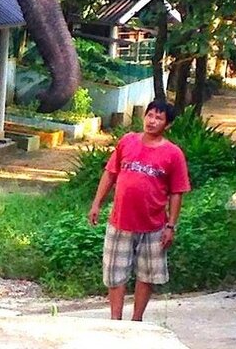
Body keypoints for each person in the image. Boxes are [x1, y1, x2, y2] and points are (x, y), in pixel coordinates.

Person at [88, 100, 191, 321]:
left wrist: (170, 226)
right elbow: (110, 173)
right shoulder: (127, 142)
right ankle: (116, 321)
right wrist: (96, 203)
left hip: (153, 227)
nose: (152, 121)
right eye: (150, 115)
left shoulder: (173, 154)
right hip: (119, 223)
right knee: (115, 275)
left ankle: (136, 321)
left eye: (159, 118)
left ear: (168, 125)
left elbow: (177, 192)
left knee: (146, 276)